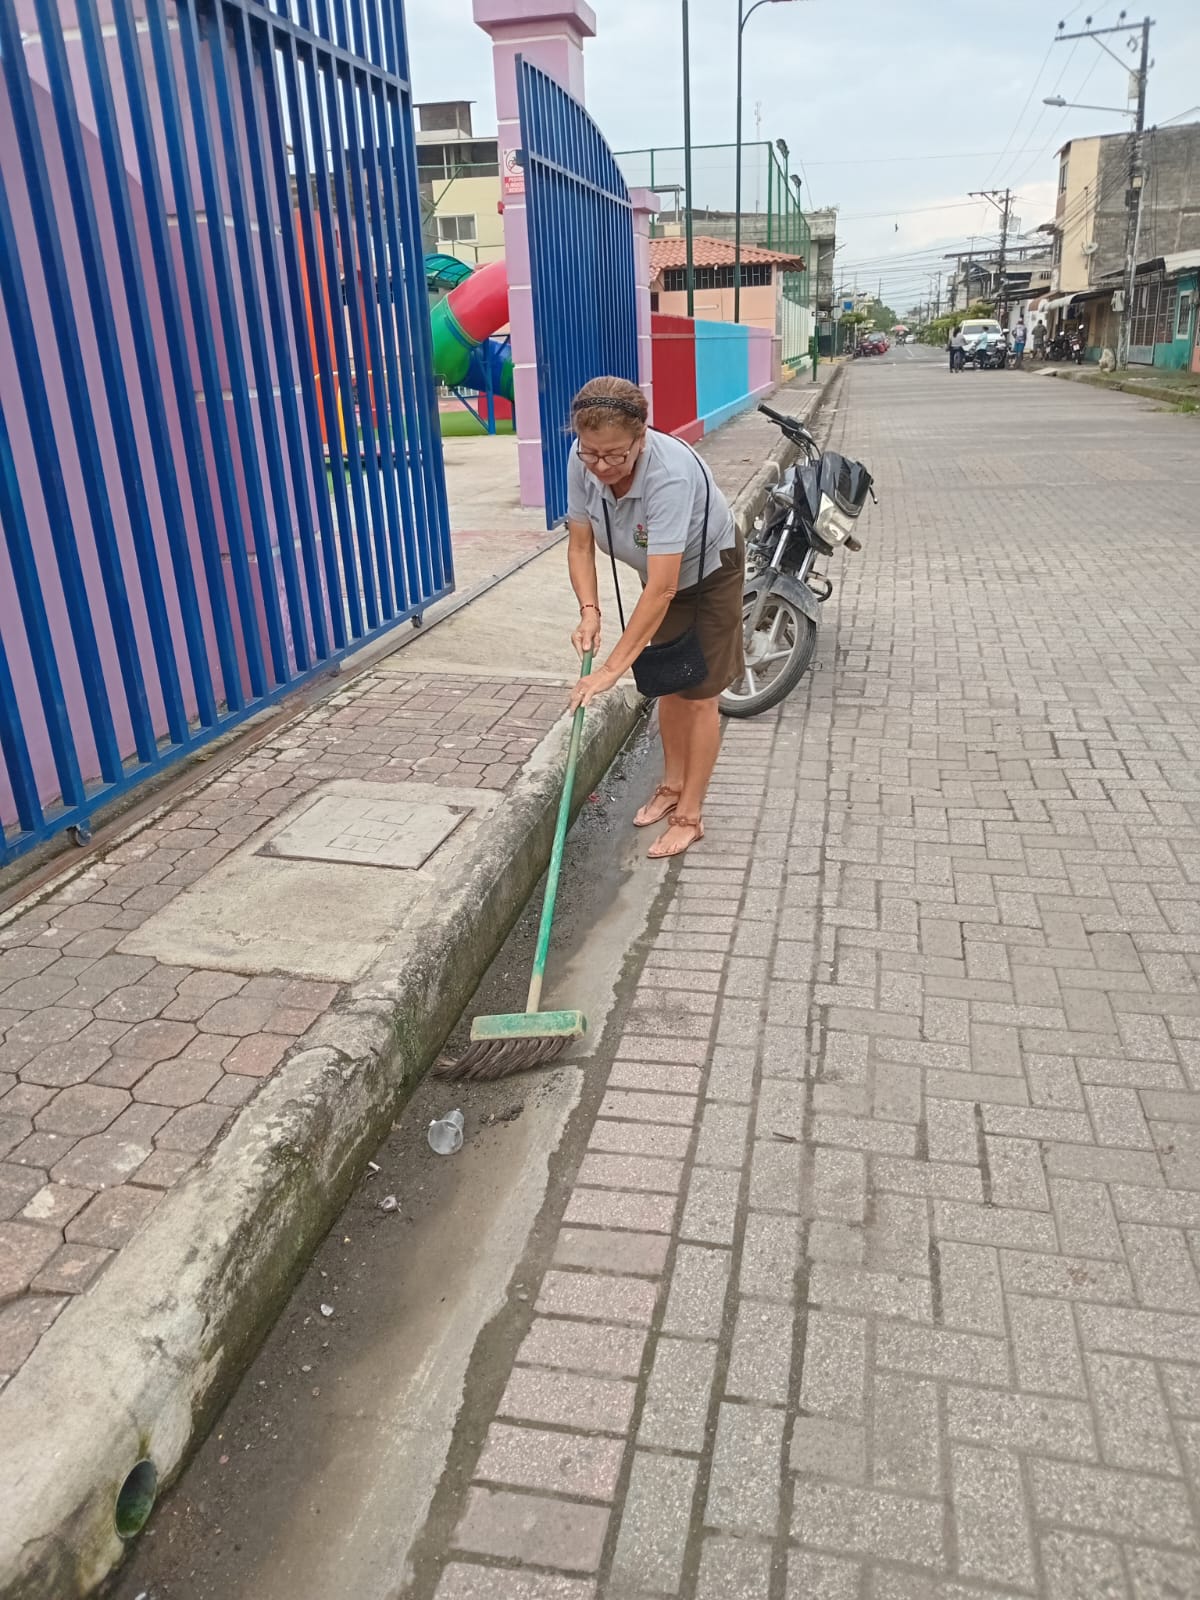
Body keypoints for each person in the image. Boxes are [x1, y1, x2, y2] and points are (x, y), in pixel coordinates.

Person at [564, 376, 744, 860]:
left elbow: (664, 588)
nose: (601, 466)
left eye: (615, 455)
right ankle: (671, 785)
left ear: (641, 437)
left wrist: (608, 672)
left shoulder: (670, 475)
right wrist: (589, 611)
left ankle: (690, 814)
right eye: (591, 453)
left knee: (698, 694)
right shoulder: (581, 459)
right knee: (669, 683)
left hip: (708, 574)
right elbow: (579, 545)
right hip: (659, 580)